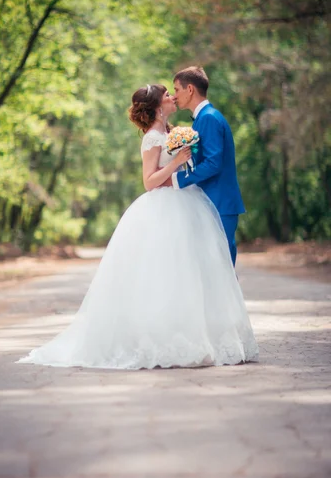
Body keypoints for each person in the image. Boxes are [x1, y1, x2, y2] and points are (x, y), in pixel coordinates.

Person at [18, 84, 258, 370]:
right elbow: (149, 181)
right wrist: (177, 163)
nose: (172, 97)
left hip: (189, 204)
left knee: (191, 272)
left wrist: (186, 156)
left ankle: (201, 336)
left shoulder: (172, 133)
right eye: (167, 95)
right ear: (158, 107)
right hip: (165, 207)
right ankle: (164, 340)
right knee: (165, 273)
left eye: (173, 92)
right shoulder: (153, 138)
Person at [173, 66, 245, 266]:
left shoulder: (209, 118)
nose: (174, 96)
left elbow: (213, 163)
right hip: (212, 203)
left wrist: (178, 179)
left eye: (177, 89)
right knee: (215, 271)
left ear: (190, 89)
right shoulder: (203, 119)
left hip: (220, 203)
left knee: (222, 269)